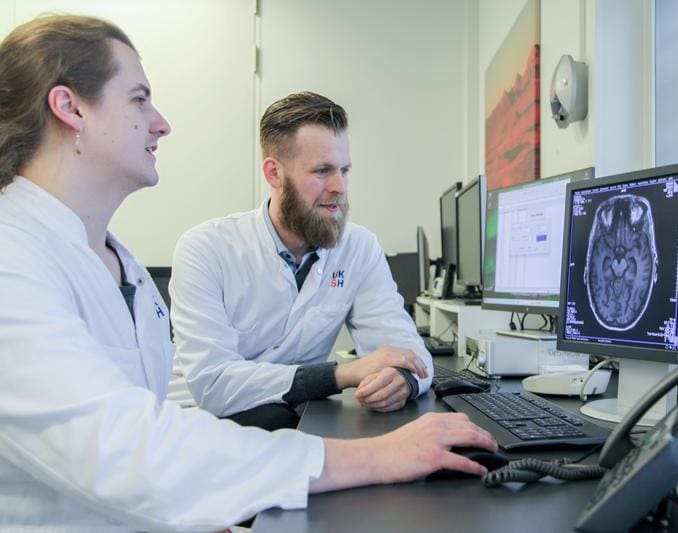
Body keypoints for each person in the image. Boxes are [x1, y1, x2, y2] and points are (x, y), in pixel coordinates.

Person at [0, 14, 496, 530]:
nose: (161, 122)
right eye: (139, 98)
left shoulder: (117, 265)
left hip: (181, 495)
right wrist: (380, 454)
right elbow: (128, 450)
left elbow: (147, 450)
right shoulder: (13, 261)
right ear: (69, 107)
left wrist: (397, 378)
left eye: (343, 170)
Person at [168, 92, 433, 430]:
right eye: (322, 171)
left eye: (345, 170)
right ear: (274, 173)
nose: (339, 187)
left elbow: (409, 349)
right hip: (197, 424)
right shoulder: (205, 248)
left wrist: (402, 380)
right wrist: (343, 374)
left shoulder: (359, 247)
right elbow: (214, 385)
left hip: (288, 418)